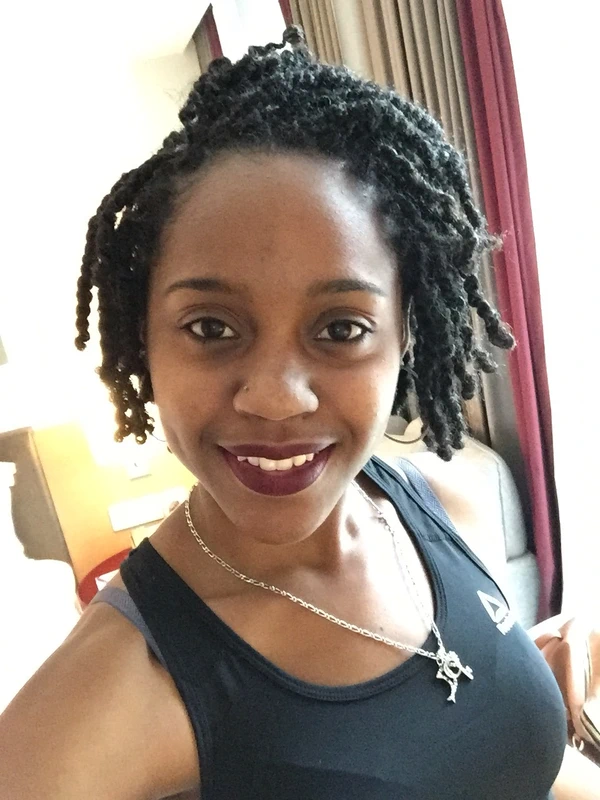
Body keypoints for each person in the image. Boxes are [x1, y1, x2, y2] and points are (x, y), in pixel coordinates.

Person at [1, 25, 597, 800]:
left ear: (405, 335)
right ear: (144, 343)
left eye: (340, 329)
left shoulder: (447, 504)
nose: (277, 396)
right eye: (211, 328)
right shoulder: (113, 689)